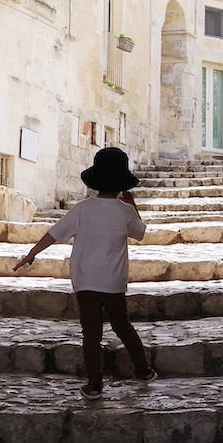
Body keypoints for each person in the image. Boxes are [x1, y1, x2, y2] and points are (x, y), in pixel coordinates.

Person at [13, 146, 157, 400]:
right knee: (123, 326)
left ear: (96, 180)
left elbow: (54, 233)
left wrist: (32, 253)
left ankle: (94, 385)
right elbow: (141, 232)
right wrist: (133, 205)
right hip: (113, 283)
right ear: (122, 183)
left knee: (91, 334)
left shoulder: (82, 209)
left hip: (85, 281)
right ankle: (144, 370)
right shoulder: (125, 212)